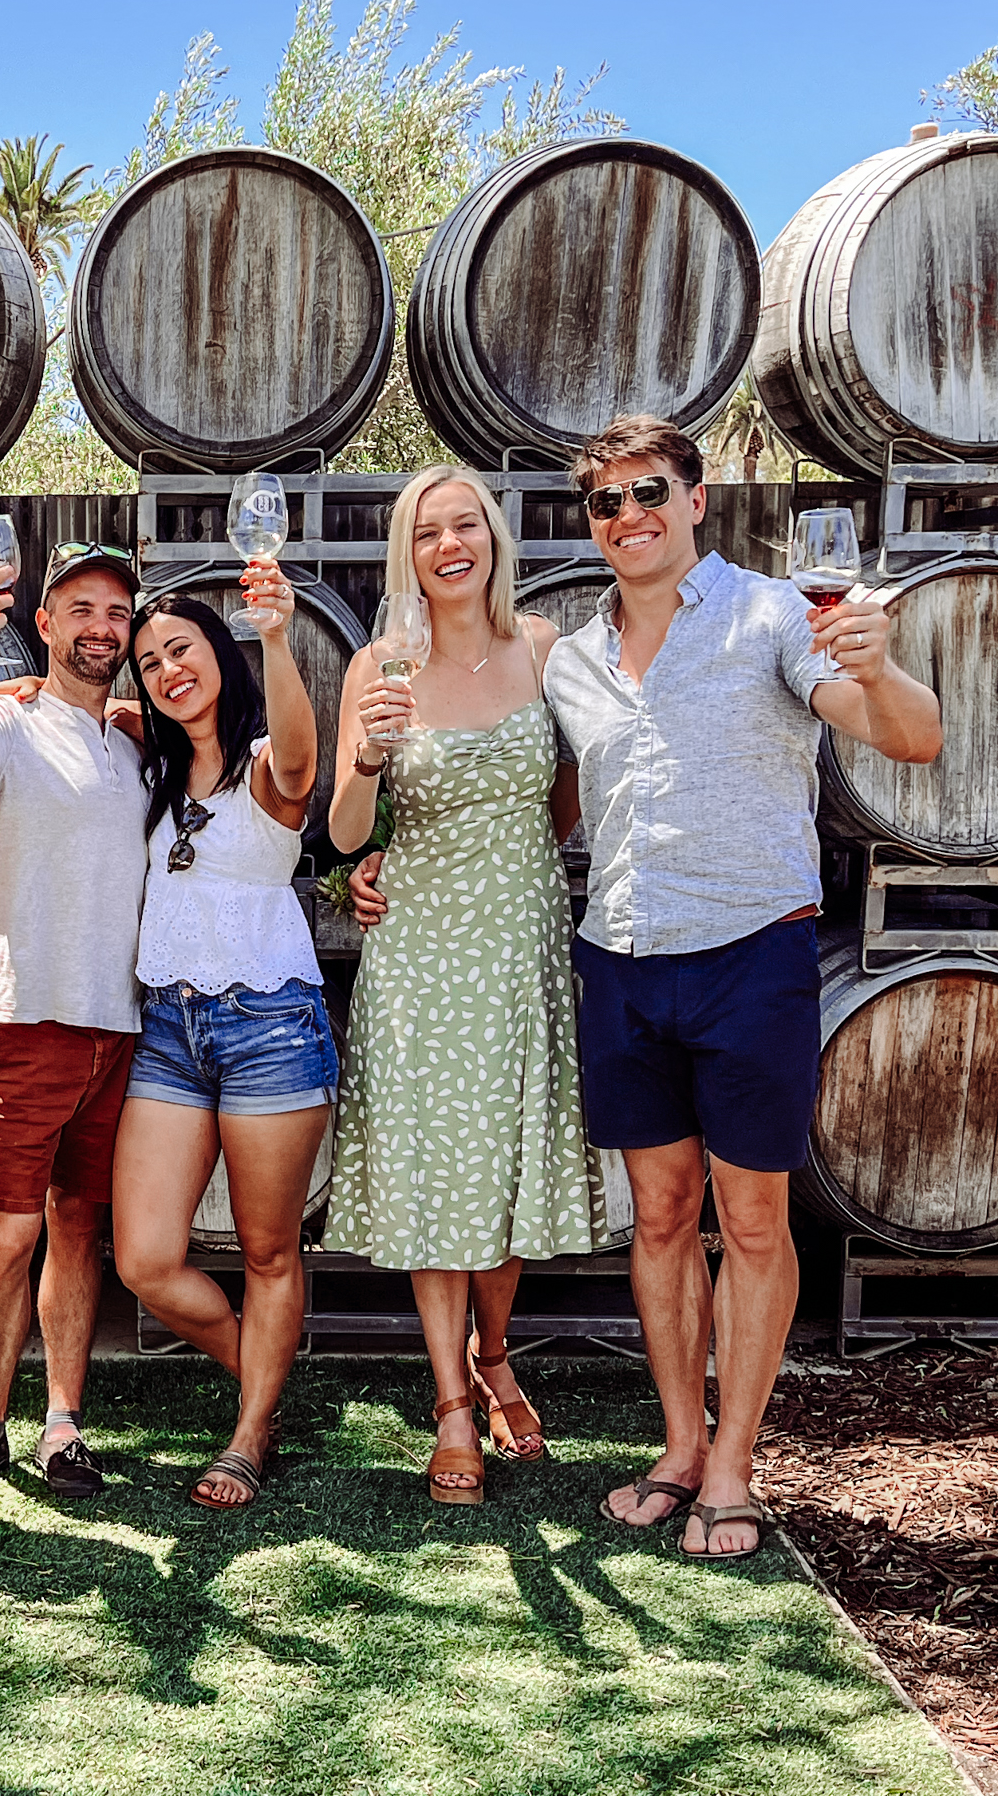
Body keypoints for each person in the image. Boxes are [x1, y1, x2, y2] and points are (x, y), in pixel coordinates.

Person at [354, 418, 941, 1556]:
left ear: (695, 499)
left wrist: (878, 667)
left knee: (752, 1221)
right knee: (662, 1220)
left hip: (751, 953)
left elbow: (908, 739)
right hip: (621, 961)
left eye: (649, 493)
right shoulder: (571, 659)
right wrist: (382, 862)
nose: (629, 515)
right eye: (607, 502)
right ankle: (679, 1447)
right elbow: (527, 800)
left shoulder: (774, 615)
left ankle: (733, 1466)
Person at [326, 465, 595, 1507]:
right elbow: (345, 831)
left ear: (493, 537)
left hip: (520, 944)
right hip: (421, 954)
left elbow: (565, 800)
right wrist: (366, 759)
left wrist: (511, 869)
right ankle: (449, 1402)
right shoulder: (378, 664)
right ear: (408, 552)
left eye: (465, 524)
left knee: (506, 1160)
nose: (450, 544)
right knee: (439, 1167)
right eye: (428, 530)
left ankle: (495, 1354)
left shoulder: (543, 648)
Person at [0, 541, 146, 1502]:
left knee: (78, 1230)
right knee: (8, 1239)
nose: (101, 627)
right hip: (22, 1020)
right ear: (44, 623)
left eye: (117, 612)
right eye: (81, 609)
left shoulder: (136, 739)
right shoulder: (5, 720)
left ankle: (63, 1426)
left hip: (120, 1025)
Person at [111, 578, 337, 1509]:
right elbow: (101, 712)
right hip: (168, 1026)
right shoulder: (155, 773)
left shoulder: (264, 767)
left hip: (269, 1024)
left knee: (267, 1253)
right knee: (146, 1259)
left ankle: (247, 1437)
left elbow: (303, 754)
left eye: (183, 650)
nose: (168, 670)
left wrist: (276, 638)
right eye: (150, 661)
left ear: (221, 655)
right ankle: (265, 1381)